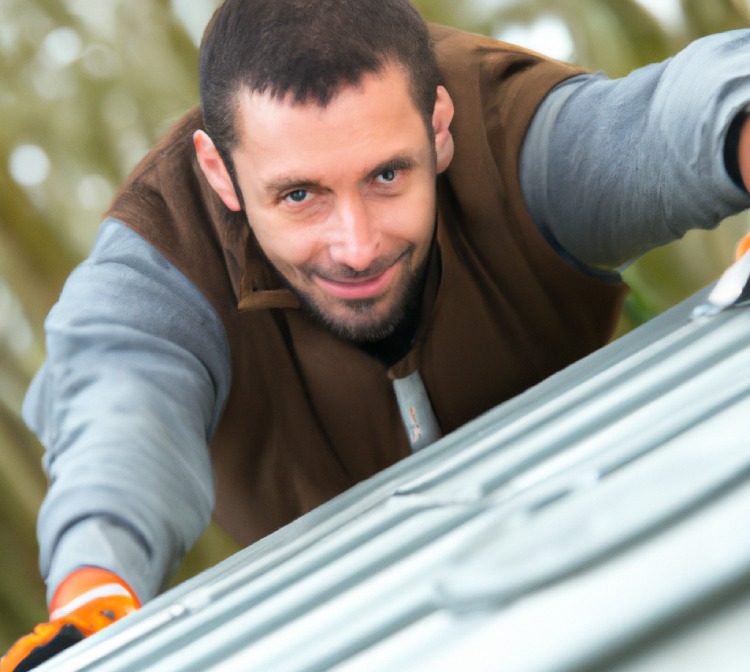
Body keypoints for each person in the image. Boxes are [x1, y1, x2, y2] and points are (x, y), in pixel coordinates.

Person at [4, 0, 750, 669]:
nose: (356, 245)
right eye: (300, 195)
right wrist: (92, 589)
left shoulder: (504, 127)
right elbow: (118, 409)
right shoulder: (161, 254)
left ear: (438, 126)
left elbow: (673, 119)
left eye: (388, 176)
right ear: (220, 174)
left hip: (628, 549)